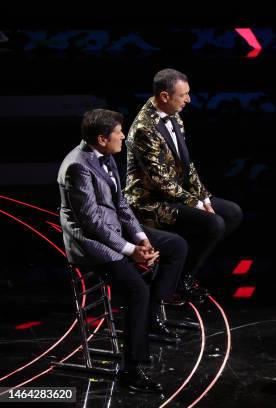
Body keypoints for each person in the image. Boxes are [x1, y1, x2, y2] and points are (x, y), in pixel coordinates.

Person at [58, 109, 188, 392]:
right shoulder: (77, 167)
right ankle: (132, 369)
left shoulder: (108, 156)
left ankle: (148, 319)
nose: (124, 136)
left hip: (115, 231)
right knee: (137, 290)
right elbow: (92, 224)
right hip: (91, 245)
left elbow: (121, 205)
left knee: (175, 246)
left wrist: (141, 238)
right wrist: (131, 250)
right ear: (103, 139)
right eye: (119, 132)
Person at [124, 68, 242, 302]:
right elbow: (161, 182)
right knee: (214, 223)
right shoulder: (143, 129)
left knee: (233, 213)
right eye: (183, 95)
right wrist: (196, 204)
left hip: (175, 195)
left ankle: (182, 274)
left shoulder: (174, 115)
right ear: (165, 96)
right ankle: (179, 277)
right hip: (150, 202)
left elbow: (186, 166)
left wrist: (204, 198)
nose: (188, 100)